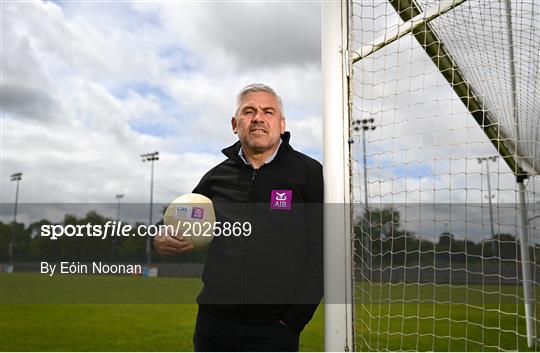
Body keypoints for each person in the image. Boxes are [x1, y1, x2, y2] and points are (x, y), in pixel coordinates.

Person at [153, 83, 323, 352]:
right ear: (235, 124)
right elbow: (180, 214)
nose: (258, 117)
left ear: (281, 124)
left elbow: (322, 252)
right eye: (249, 111)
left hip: (275, 329)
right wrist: (159, 234)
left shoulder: (310, 173)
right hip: (213, 324)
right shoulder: (216, 176)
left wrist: (293, 320)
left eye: (268, 111)